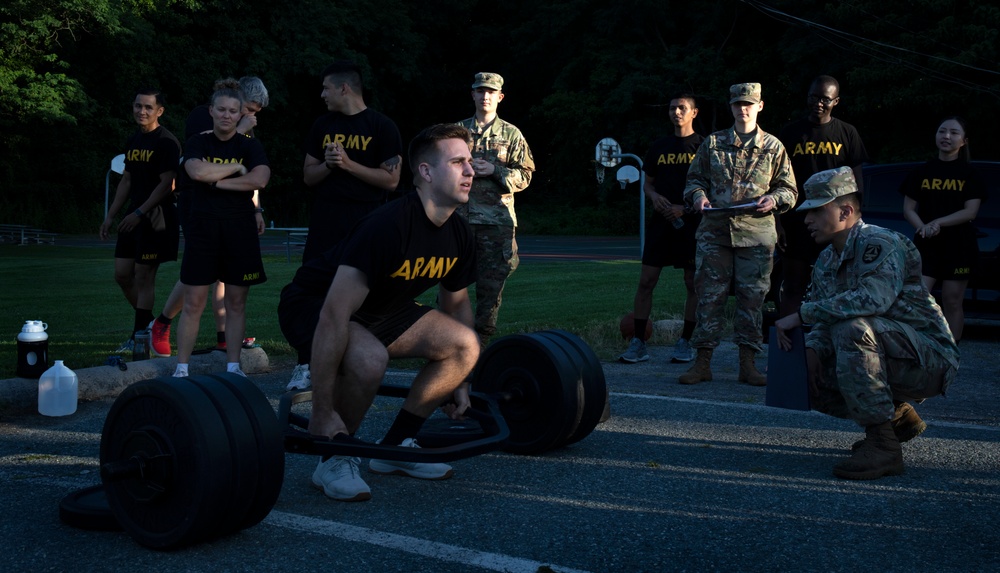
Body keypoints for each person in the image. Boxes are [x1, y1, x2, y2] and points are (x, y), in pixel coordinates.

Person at [277, 123, 479, 502]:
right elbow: (334, 314)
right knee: (370, 358)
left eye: (469, 162)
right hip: (313, 304)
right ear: (426, 171)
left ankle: (398, 445)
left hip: (380, 310)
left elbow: (457, 305)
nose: (470, 171)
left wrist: (460, 381)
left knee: (465, 346)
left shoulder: (459, 233)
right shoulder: (387, 226)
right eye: (458, 162)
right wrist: (320, 411)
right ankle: (334, 457)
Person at [774, 166, 959, 480]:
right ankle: (898, 419)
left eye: (816, 211)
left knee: (852, 329)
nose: (806, 220)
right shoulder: (827, 260)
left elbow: (873, 300)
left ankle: (884, 445)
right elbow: (825, 318)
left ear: (845, 211)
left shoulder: (881, 243)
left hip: (929, 357)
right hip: (887, 350)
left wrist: (801, 315)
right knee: (807, 367)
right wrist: (813, 350)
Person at [291, 61, 404, 391]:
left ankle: (354, 360)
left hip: (366, 222)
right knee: (313, 289)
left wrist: (348, 164)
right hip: (326, 219)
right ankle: (305, 363)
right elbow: (309, 176)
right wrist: (329, 164)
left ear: (344, 88)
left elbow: (391, 180)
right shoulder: (322, 125)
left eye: (326, 87)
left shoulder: (381, 126)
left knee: (363, 293)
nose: (322, 94)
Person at [680, 82, 797, 386]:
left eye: (749, 104)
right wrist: (698, 199)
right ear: (731, 107)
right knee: (709, 297)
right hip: (715, 233)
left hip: (756, 236)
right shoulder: (713, 143)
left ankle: (748, 364)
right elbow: (693, 181)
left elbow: (790, 189)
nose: (743, 109)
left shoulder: (774, 147)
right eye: (737, 104)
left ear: (760, 106)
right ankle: (702, 361)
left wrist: (775, 199)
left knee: (752, 300)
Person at [149, 76, 269, 357]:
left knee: (225, 276)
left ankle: (224, 337)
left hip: (234, 207)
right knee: (200, 271)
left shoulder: (245, 130)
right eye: (250, 109)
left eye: (250, 112)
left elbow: (250, 173)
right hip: (197, 203)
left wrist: (256, 208)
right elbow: (208, 165)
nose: (251, 116)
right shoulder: (204, 117)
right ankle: (163, 321)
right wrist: (240, 132)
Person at [619, 94, 704, 364]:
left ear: (694, 113)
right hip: (661, 224)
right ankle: (638, 342)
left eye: (682, 108)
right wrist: (655, 198)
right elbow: (648, 184)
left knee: (692, 284)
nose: (676, 112)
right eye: (672, 108)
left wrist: (685, 208)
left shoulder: (705, 147)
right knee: (646, 281)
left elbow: (713, 190)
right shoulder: (659, 146)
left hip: (692, 224)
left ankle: (685, 341)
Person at [777, 75, 869, 317]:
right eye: (814, 97)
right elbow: (775, 180)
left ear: (835, 101)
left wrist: (855, 220)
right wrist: (777, 222)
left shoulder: (847, 133)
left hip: (834, 222)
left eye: (825, 99)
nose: (818, 103)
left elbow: (857, 180)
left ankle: (830, 344)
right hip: (797, 220)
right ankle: (790, 346)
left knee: (839, 285)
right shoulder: (790, 133)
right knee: (793, 286)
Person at [99, 87, 182, 352]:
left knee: (145, 277)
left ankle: (139, 338)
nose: (142, 111)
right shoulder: (133, 140)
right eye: (138, 106)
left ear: (159, 111)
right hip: (133, 215)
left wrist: (139, 213)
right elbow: (127, 179)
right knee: (122, 274)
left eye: (148, 107)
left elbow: (167, 184)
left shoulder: (167, 142)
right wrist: (110, 216)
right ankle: (148, 325)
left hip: (156, 216)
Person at [456, 72, 535, 345]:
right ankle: (449, 343)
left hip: (496, 223)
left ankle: (480, 346)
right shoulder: (457, 132)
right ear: (473, 94)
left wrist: (494, 170)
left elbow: (525, 176)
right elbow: (442, 169)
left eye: (491, 92)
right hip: (459, 220)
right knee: (451, 284)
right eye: (480, 91)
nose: (485, 96)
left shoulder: (511, 134)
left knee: (490, 289)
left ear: (500, 97)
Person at [899, 116, 986, 342]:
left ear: (964, 141)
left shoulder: (970, 174)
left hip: (959, 246)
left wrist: (938, 223)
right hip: (927, 244)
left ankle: (950, 351)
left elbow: (970, 212)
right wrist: (923, 228)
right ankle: (919, 347)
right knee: (918, 298)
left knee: (953, 300)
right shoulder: (922, 171)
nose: (946, 136)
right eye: (942, 131)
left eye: (954, 133)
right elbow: (908, 209)